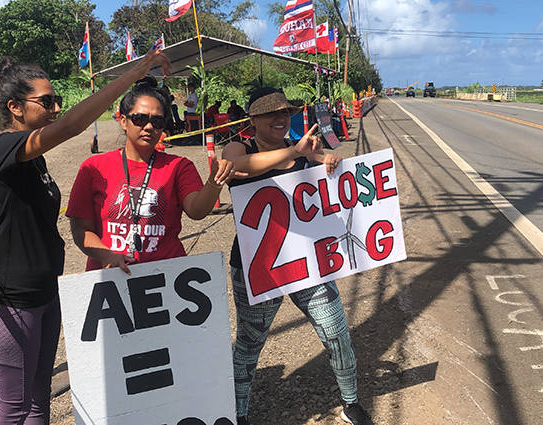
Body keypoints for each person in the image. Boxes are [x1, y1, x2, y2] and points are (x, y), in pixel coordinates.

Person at [0, 48, 171, 425]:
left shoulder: (33, 158)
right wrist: (135, 73)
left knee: (39, 402)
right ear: (15, 107)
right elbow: (69, 127)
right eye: (47, 101)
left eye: (57, 101)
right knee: (13, 408)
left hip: (46, 293)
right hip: (13, 301)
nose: (54, 109)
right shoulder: (2, 149)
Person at [221, 88, 374, 425]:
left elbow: (327, 177)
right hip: (258, 265)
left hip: (307, 260)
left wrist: (328, 161)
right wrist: (295, 151)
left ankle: (351, 402)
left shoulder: (305, 148)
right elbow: (235, 168)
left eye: (284, 112)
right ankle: (239, 413)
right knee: (249, 343)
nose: (280, 118)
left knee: (336, 331)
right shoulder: (239, 148)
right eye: (270, 113)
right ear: (252, 120)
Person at [65, 77, 241, 273]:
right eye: (140, 119)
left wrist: (214, 182)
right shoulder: (94, 167)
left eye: (157, 121)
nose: (149, 127)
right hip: (111, 276)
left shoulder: (179, 166)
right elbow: (81, 229)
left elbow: (196, 211)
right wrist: (106, 256)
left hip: (166, 277)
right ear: (124, 121)